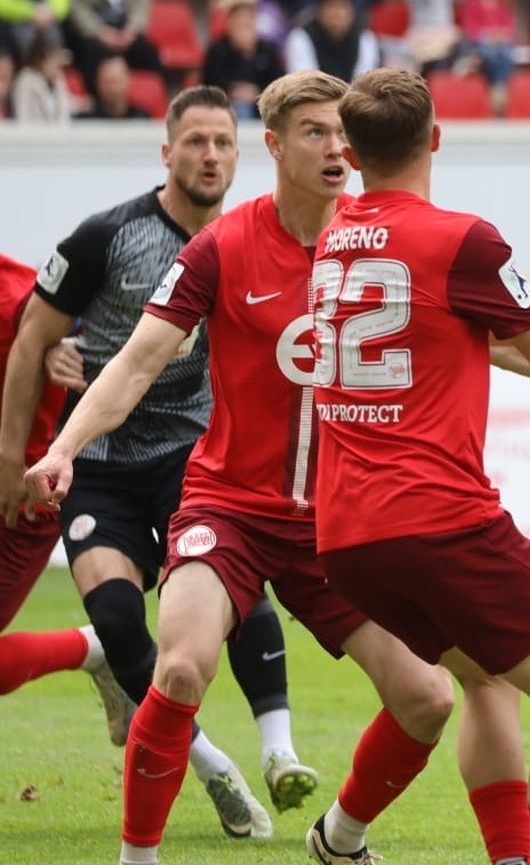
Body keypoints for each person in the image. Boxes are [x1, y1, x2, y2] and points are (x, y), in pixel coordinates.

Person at [24, 74, 452, 864]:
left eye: (344, 134)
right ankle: (139, 856)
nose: (337, 150)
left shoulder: (381, 239)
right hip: (229, 509)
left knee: (427, 698)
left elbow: (485, 327)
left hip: (334, 521)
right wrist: (61, 448)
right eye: (317, 133)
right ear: (277, 146)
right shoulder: (220, 246)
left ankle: (339, 836)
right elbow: (134, 363)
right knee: (183, 667)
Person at [315, 67, 530, 865]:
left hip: (346, 537)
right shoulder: (463, 240)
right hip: (438, 519)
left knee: (488, 677)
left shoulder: (333, 237)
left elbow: (452, 319)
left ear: (351, 155)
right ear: (437, 138)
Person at [0, 88, 298, 839]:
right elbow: (33, 337)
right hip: (99, 458)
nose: (209, 156)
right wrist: (12, 455)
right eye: (195, 141)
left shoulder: (249, 240)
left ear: (241, 154)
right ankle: (210, 764)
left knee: (235, 581)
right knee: (115, 615)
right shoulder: (108, 236)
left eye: (222, 143)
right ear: (167, 152)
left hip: (192, 454)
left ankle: (280, 750)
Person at [0, 249, 118, 729]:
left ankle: (95, 647)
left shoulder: (13, 293)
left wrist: (58, 341)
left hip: (21, 503)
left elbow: (59, 314)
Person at [198, 0, 282, 115]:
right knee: (241, 108)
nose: (244, 25)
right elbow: (210, 87)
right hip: (227, 106)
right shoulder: (218, 51)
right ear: (230, 23)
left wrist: (257, 93)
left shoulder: (267, 50)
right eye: (238, 20)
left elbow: (278, 85)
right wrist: (234, 92)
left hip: (262, 104)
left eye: (248, 21)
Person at [456, 0, 518, 101]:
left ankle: (499, 87)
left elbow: (509, 29)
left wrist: (501, 36)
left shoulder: (504, 3)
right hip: (479, 44)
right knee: (489, 52)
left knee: (506, 53)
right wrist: (488, 35)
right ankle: (495, 86)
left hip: (500, 44)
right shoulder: (471, 3)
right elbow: (469, 29)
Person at [286, 0, 378, 82]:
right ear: (318, 12)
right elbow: (303, 79)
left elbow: (365, 78)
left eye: (342, 7)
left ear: (352, 13)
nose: (336, 14)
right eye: (331, 7)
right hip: (315, 89)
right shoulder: (300, 36)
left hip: (354, 90)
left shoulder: (364, 37)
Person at [7, 28, 74, 125]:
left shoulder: (59, 79)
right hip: (33, 133)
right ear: (40, 59)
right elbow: (22, 117)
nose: (57, 63)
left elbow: (65, 111)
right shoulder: (25, 81)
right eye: (53, 59)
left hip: (60, 133)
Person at [77, 55, 152, 121]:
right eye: (107, 82)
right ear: (97, 83)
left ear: (128, 80)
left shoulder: (141, 119)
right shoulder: (85, 120)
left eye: (116, 81)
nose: (112, 88)